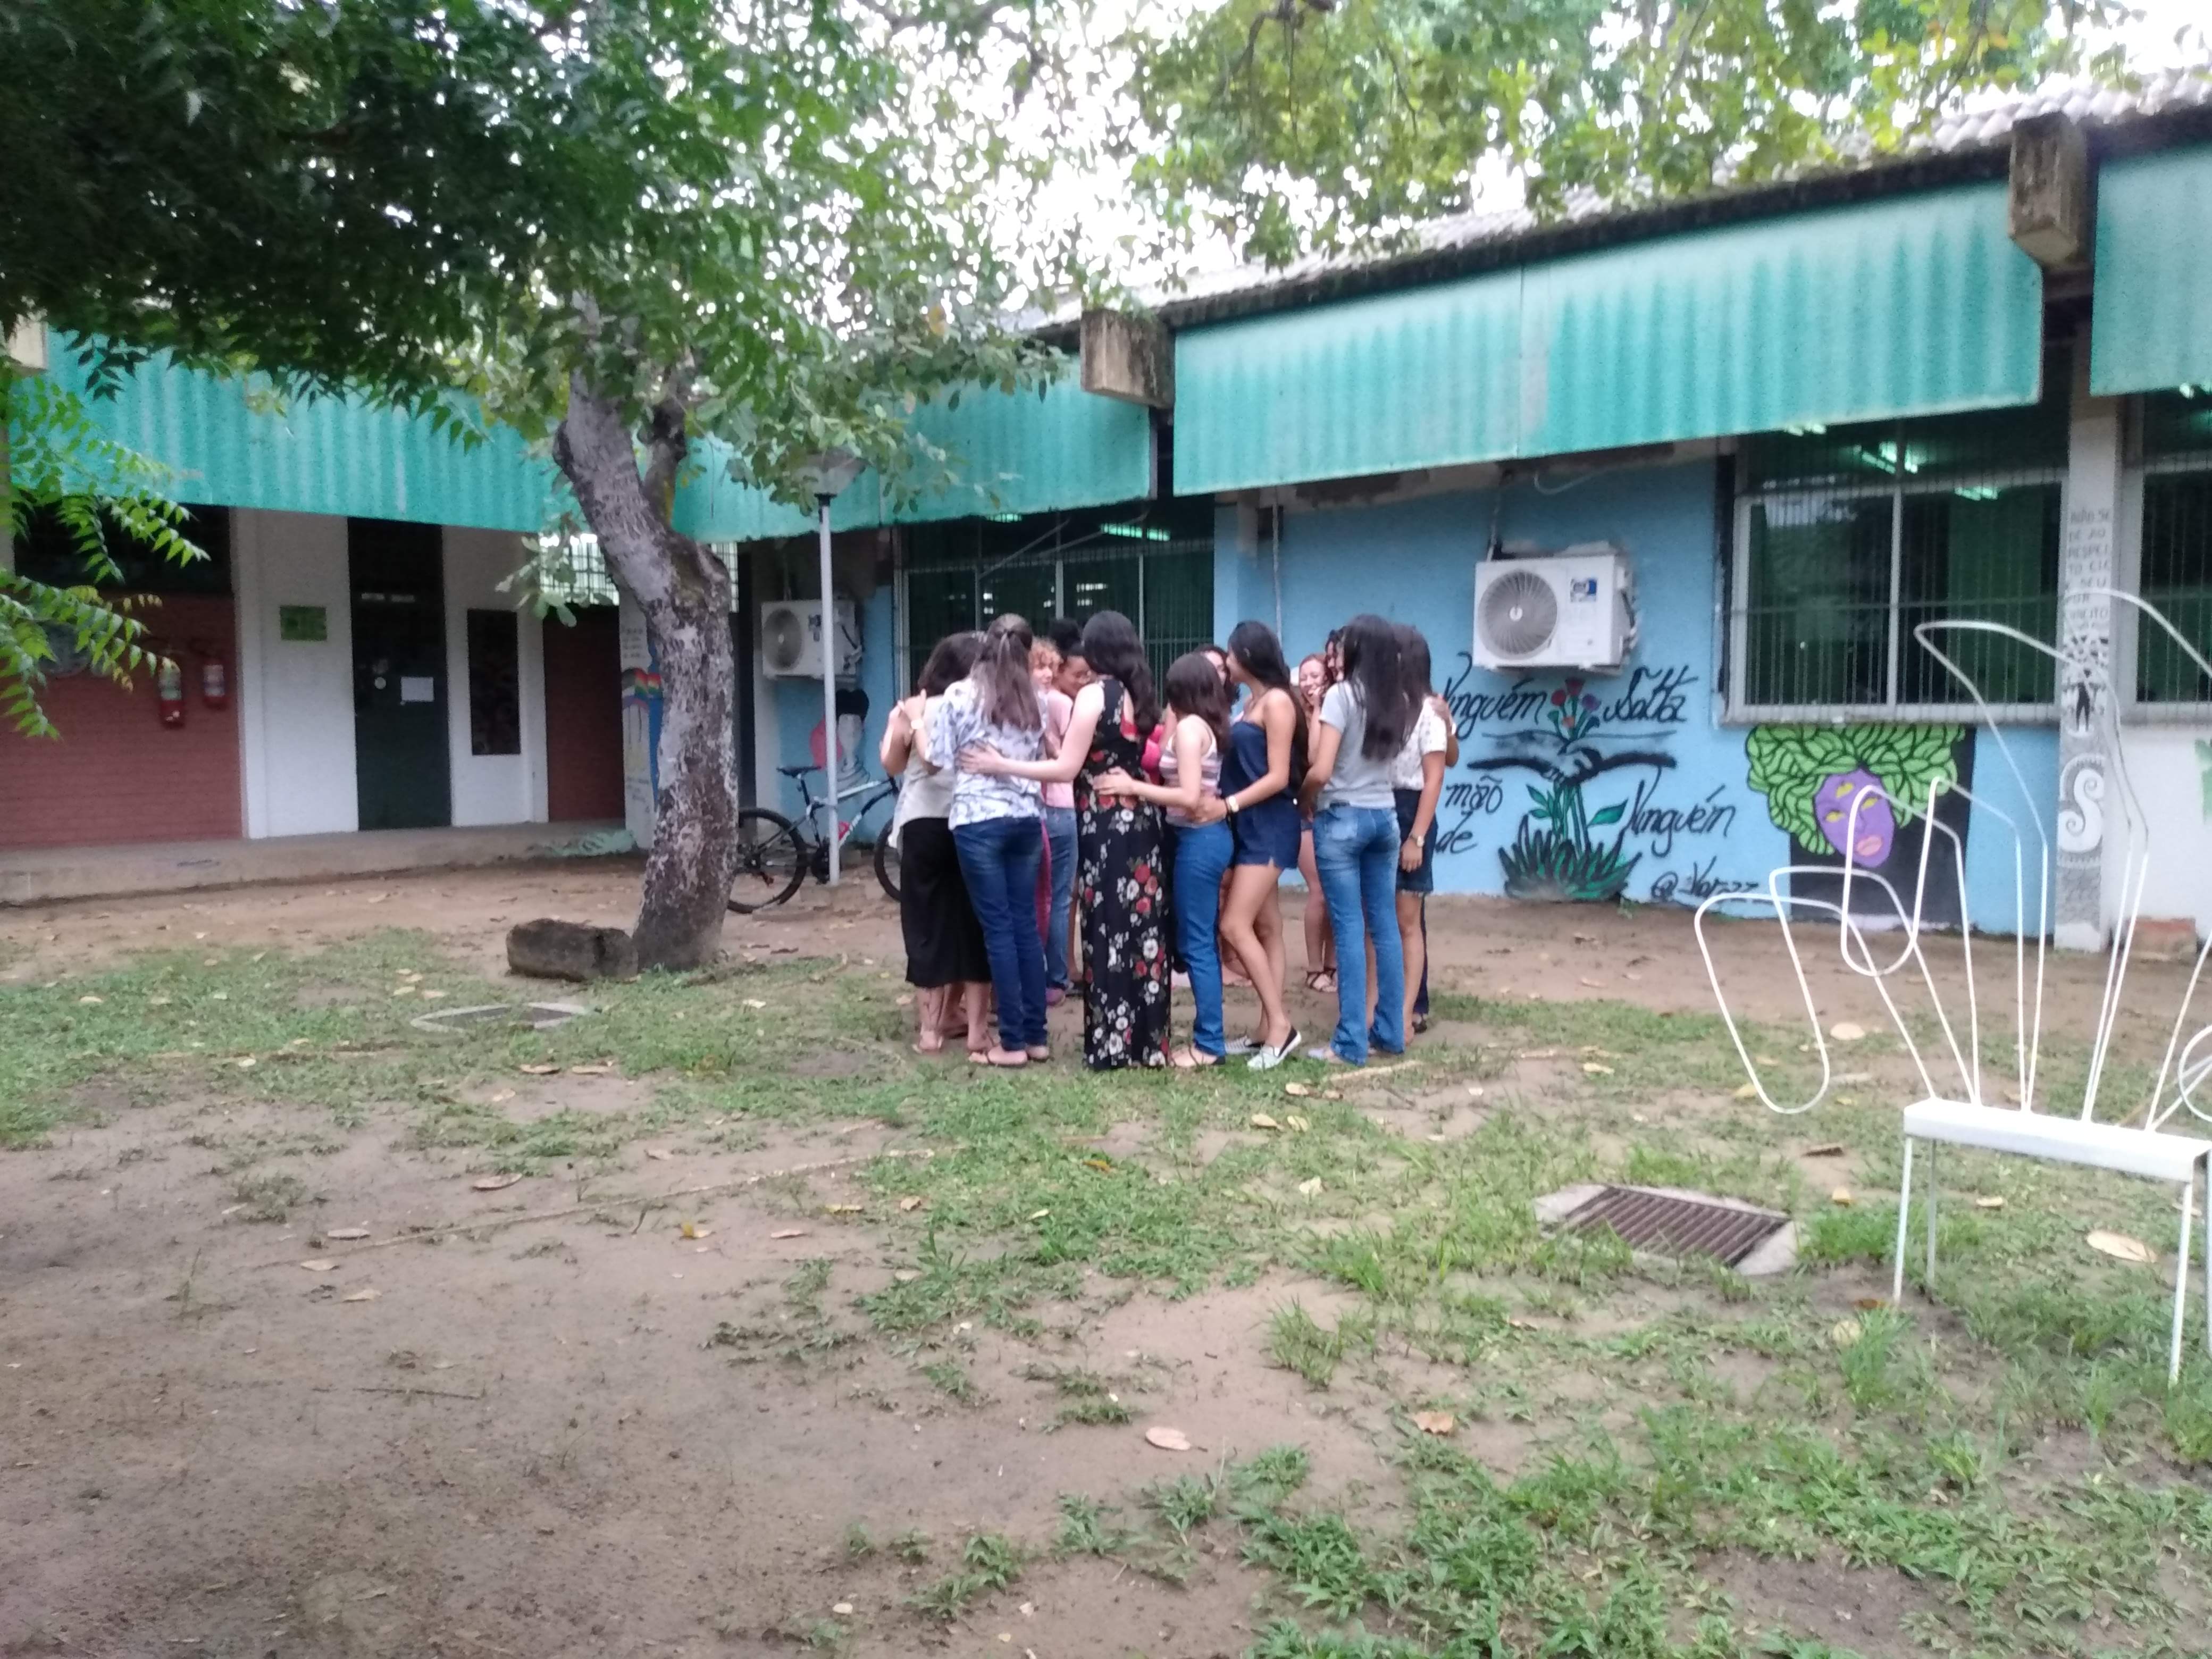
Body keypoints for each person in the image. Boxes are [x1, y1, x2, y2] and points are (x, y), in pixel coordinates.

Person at [965, 610, 1169, 1069]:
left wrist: (1002, 765)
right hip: (1142, 823)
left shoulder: (1095, 696)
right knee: (1143, 929)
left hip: (1105, 823)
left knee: (1107, 927)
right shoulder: (1138, 692)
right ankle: (1147, 1041)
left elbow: (1066, 769)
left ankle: (1112, 1043)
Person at [1097, 651, 1233, 1067]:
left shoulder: (1191, 730)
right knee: (1196, 939)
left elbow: (1189, 797)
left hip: (1199, 838)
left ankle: (1210, 1044)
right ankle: (1208, 1037)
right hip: (1192, 836)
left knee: (1197, 942)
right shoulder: (1201, 724)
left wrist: (1134, 787)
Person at [934, 614, 1050, 1069]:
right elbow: (1041, 754)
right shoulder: (1037, 699)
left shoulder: (959, 695)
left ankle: (1012, 1043)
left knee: (998, 929)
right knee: (1026, 926)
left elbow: (940, 756)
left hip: (978, 819)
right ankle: (1036, 1036)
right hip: (1026, 817)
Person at [1299, 614, 1415, 1066]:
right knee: (1384, 926)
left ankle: (1350, 1042)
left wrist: (1305, 798)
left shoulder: (1341, 696)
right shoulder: (1398, 700)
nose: (1337, 654)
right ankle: (1389, 1033)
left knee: (1348, 928)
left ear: (1358, 650)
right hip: (1385, 818)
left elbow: (1322, 769)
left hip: (1342, 818)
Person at [881, 633, 992, 1055]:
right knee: (973, 924)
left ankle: (930, 1032)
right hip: (971, 821)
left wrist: (907, 721)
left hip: (922, 823)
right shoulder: (984, 708)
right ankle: (978, 1030)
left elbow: (891, 764)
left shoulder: (915, 708)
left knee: (925, 923)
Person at [1202, 621, 1304, 1068]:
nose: (1226, 662)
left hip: (1269, 825)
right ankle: (1266, 1029)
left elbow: (1279, 777)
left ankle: (1281, 1026)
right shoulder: (1251, 703)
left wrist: (1228, 805)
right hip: (1249, 825)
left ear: (1246, 655)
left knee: (1233, 925)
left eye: (1230, 653)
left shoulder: (1278, 702)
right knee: (1267, 928)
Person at [1385, 626, 1451, 1041]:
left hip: (1411, 811)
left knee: (1408, 919)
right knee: (1387, 917)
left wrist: (1417, 837)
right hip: (1383, 805)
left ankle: (1409, 1011)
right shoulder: (1388, 708)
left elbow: (1435, 777)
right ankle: (1393, 1003)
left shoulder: (1430, 712)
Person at [1034, 634, 1083, 1007]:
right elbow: (1069, 755)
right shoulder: (1061, 703)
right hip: (1060, 805)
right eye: (1041, 666)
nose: (1048, 674)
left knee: (1035, 896)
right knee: (1060, 897)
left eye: (1051, 666)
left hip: (1033, 807)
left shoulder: (1013, 702)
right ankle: (1056, 977)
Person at [1294, 651, 1336, 995]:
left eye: (1316, 676)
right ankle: (1313, 968)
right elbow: (1312, 758)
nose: (1310, 683)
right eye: (1304, 677)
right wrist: (1318, 708)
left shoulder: (1337, 712)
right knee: (1319, 890)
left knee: (1336, 892)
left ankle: (1333, 965)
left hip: (1331, 812)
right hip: (1304, 814)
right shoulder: (1296, 716)